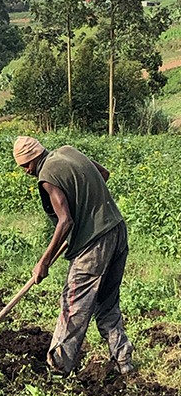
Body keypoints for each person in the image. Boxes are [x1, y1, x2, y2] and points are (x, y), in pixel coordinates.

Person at [13, 136, 133, 375]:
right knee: (107, 302)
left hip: (94, 245)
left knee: (74, 303)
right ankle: (124, 362)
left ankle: (59, 365)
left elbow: (65, 220)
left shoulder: (46, 175)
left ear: (32, 159)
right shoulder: (68, 151)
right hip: (117, 230)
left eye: (25, 166)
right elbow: (104, 174)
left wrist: (43, 262)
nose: (26, 171)